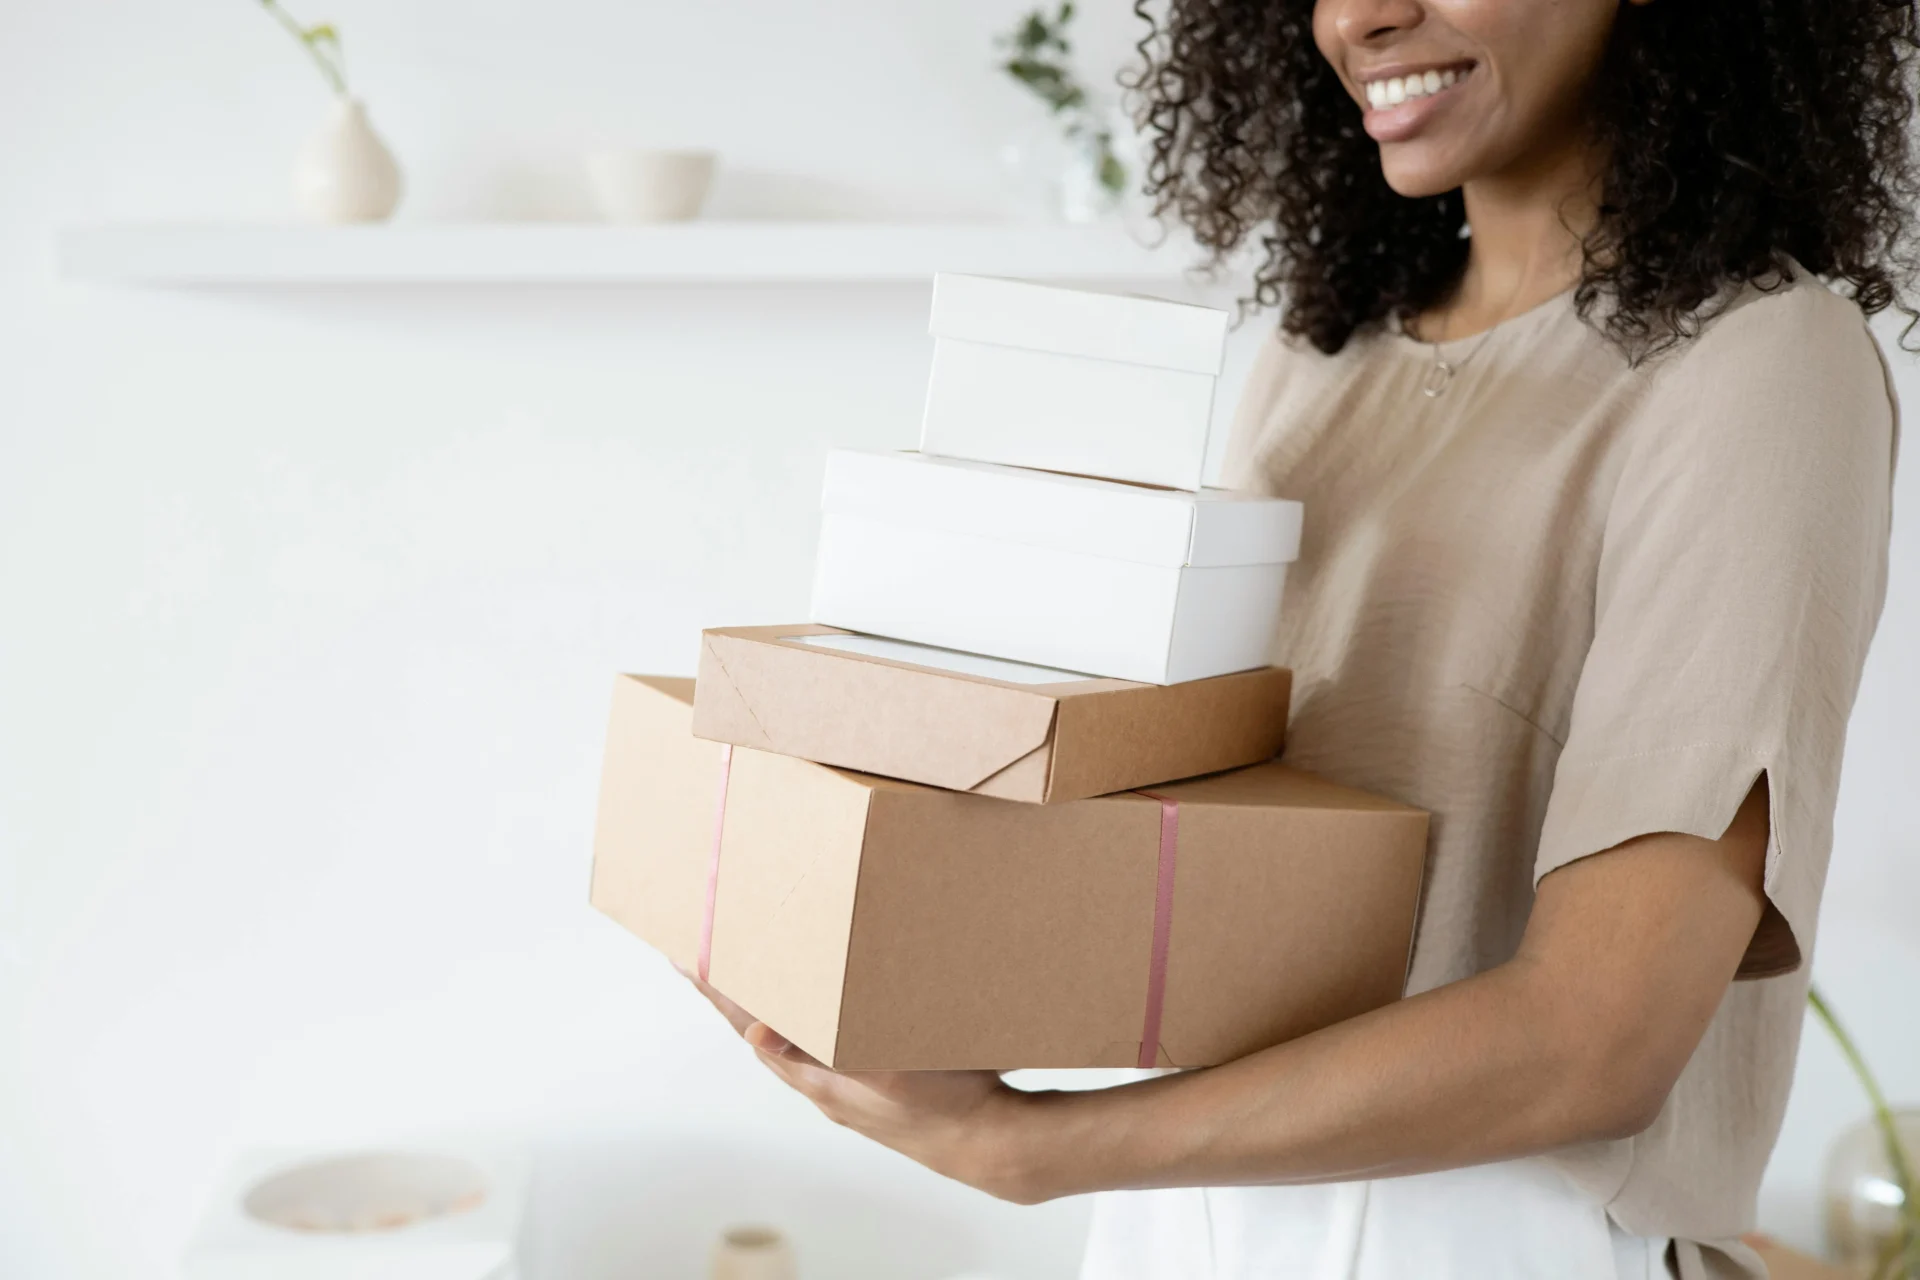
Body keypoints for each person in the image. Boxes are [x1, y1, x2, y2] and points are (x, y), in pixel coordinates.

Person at [687, 0, 1910, 1275]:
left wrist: (1034, 1148)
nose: (1366, 15)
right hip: (1180, 1210)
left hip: (1488, 1232)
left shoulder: (1757, 366)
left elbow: (1596, 1037)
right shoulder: (1321, 357)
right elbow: (1207, 849)